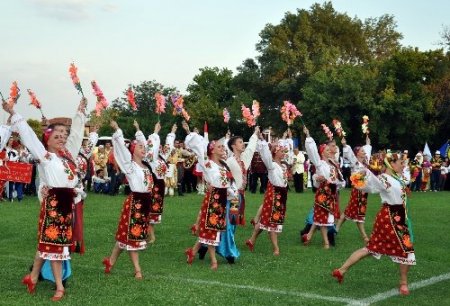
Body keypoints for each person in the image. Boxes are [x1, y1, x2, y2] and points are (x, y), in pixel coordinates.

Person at [4, 98, 87, 301]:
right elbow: (30, 137)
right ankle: (59, 286)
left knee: (47, 244)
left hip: (67, 205)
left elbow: (76, 136)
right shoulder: (45, 157)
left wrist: (80, 114)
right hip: (54, 206)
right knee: (55, 246)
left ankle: (32, 277)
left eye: (63, 135)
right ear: (47, 139)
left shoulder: (67, 156)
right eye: (57, 136)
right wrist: (14, 114)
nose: (62, 138)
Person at [332, 151, 415, 296]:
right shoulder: (385, 179)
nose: (403, 166)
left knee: (371, 249)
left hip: (396, 217)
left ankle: (341, 270)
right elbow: (370, 186)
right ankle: (403, 283)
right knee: (406, 250)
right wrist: (363, 172)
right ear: (391, 164)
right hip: (391, 217)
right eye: (401, 163)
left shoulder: (396, 178)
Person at [102, 120, 155, 280]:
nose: (143, 149)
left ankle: (110, 262)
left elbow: (152, 146)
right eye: (140, 147)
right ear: (133, 150)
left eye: (144, 147)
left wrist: (142, 131)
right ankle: (137, 270)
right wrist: (118, 129)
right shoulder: (130, 166)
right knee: (133, 237)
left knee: (126, 237)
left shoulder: (147, 166)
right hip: (135, 203)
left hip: (145, 202)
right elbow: (121, 151)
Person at [183, 121, 238, 270]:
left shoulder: (223, 164)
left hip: (222, 198)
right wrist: (191, 133)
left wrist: (233, 195)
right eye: (219, 147)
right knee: (211, 228)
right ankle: (213, 260)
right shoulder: (207, 163)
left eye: (222, 146)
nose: (222, 149)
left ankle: (193, 252)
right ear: (212, 150)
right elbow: (200, 151)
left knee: (214, 228)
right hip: (213, 198)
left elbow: (228, 183)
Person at [215, 126, 259, 264]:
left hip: (239, 197)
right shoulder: (229, 161)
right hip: (231, 196)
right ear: (233, 146)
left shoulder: (243, 160)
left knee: (232, 224)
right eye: (240, 142)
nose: (242, 144)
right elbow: (222, 177)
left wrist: (255, 134)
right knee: (228, 223)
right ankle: (228, 252)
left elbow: (251, 149)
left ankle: (207, 246)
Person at [302, 126, 345, 249]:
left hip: (332, 193)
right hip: (323, 193)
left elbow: (340, 179)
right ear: (322, 152)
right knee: (323, 218)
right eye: (327, 150)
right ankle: (326, 242)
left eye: (329, 149)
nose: (329, 151)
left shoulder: (333, 164)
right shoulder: (320, 163)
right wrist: (309, 137)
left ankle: (309, 235)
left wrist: (340, 183)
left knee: (323, 218)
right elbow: (312, 152)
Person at [245, 134, 288, 256]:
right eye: (281, 151)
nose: (283, 153)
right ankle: (276, 249)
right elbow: (266, 156)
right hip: (274, 195)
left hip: (282, 195)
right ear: (275, 153)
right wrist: (263, 142)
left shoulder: (283, 166)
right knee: (271, 222)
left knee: (265, 221)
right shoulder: (272, 166)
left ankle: (251, 240)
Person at [134, 120, 175, 244]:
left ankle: (148, 233)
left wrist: (172, 133)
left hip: (160, 186)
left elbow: (169, 145)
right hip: (152, 185)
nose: (160, 148)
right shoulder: (149, 158)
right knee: (149, 209)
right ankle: (150, 235)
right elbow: (146, 143)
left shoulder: (162, 157)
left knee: (155, 211)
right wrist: (141, 129)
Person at [335, 136, 372, 243]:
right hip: (357, 190)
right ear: (357, 153)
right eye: (362, 151)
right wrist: (344, 145)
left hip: (364, 191)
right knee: (354, 212)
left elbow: (368, 152)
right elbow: (349, 154)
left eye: (364, 151)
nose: (364, 152)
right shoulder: (354, 162)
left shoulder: (365, 162)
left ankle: (336, 230)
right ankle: (364, 236)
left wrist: (368, 143)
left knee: (352, 212)